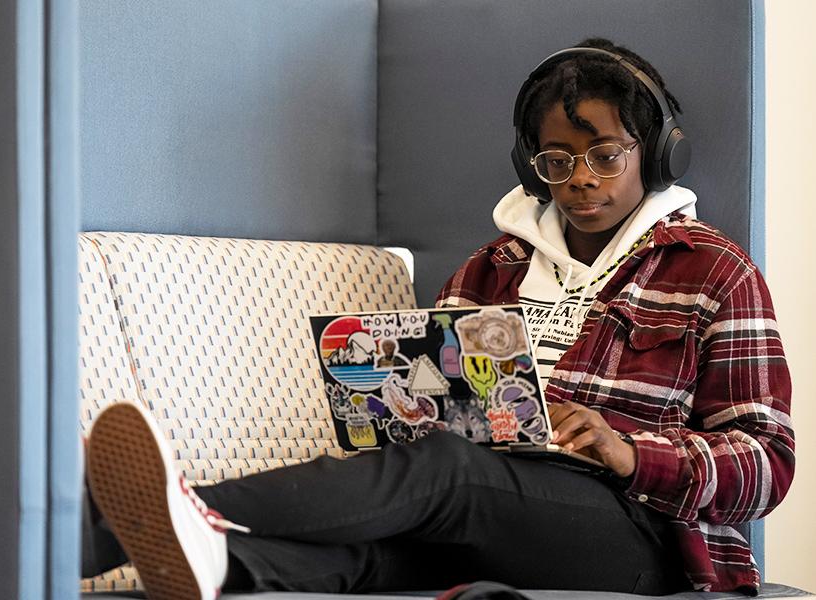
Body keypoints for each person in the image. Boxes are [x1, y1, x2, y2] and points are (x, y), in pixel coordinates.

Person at [82, 38, 794, 599]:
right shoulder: (493, 269)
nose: (581, 177)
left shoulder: (712, 271)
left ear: (659, 154)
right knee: (377, 552)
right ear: (530, 165)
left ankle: (133, 520)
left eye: (606, 156)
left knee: (448, 473)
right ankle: (211, 561)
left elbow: (767, 463)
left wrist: (630, 450)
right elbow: (432, 419)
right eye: (557, 159)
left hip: (640, 535)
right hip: (489, 501)